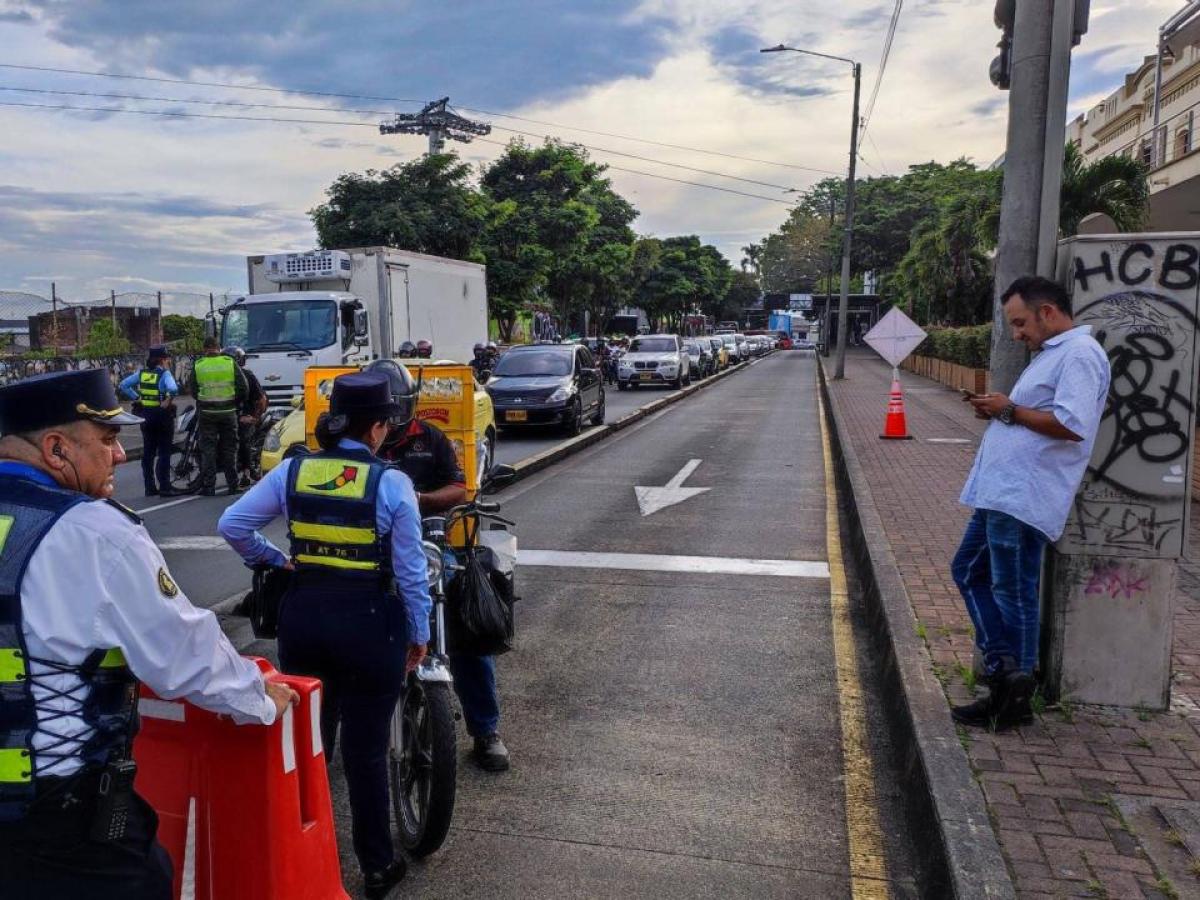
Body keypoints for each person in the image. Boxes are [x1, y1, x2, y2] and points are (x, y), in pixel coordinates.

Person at [0, 368, 295, 899]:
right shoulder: (93, 532)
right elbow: (184, 653)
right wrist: (261, 698)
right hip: (65, 824)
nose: (118, 456)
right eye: (108, 439)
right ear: (55, 448)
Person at [218, 372, 431, 899]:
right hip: (370, 624)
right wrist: (419, 632)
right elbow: (409, 573)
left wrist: (277, 561)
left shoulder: (293, 471)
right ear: (378, 428)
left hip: (305, 616)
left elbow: (233, 525)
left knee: (308, 744)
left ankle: (297, 856)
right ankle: (377, 867)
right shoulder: (391, 483)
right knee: (366, 752)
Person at [951, 276, 1110, 730]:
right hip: (1002, 494)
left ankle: (1012, 692)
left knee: (1013, 590)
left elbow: (1072, 423)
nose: (1016, 333)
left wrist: (1007, 409)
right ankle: (1007, 673)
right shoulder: (1055, 355)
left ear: (1048, 312)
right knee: (968, 571)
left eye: (1021, 323)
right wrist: (1000, 410)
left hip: (1025, 496)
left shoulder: (1080, 355)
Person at [366, 360, 511, 773]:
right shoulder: (358, 443)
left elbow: (458, 486)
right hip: (370, 555)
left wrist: (418, 500)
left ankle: (486, 730)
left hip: (428, 550)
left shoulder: (429, 438)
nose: (388, 419)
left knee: (468, 629)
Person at [190, 337, 247, 497]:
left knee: (208, 449)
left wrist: (204, 402)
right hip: (228, 412)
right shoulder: (229, 362)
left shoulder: (199, 365)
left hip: (207, 414)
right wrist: (234, 402)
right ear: (218, 348)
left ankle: (209, 486)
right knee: (229, 448)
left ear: (205, 349)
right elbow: (243, 387)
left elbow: (193, 390)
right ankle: (232, 485)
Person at [119, 345, 179, 497]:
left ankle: (150, 487)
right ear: (162, 360)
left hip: (146, 416)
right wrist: (167, 400)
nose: (169, 361)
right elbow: (173, 389)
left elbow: (123, 385)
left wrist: (137, 398)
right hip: (162, 416)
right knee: (164, 452)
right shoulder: (164, 374)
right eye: (167, 359)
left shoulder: (142, 373)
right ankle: (165, 487)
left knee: (148, 453)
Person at [226, 346, 267, 487]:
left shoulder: (247, 376)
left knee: (243, 439)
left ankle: (247, 472)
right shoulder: (222, 376)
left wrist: (254, 418)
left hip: (245, 416)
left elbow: (261, 399)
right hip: (227, 416)